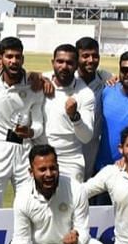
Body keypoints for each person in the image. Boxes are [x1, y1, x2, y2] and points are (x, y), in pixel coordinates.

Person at [0, 36, 44, 208]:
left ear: (23, 59)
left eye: (17, 57)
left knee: (26, 207)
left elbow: (38, 125)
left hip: (23, 151)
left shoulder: (34, 86)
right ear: (1, 59)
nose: (14, 61)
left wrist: (30, 132)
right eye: (9, 57)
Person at [40, 44, 95, 182]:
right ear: (53, 62)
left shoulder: (85, 94)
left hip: (70, 159)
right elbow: (26, 76)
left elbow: (86, 137)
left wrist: (74, 116)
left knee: (72, 202)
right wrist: (35, 76)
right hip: (41, 155)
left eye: (70, 63)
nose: (64, 66)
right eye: (60, 61)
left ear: (76, 66)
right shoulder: (41, 82)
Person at [74, 37, 113, 179]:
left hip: (92, 146)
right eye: (85, 56)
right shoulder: (68, 79)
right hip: (70, 144)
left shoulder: (105, 79)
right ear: (77, 57)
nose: (91, 60)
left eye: (95, 56)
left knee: (86, 188)